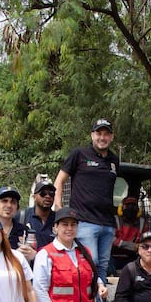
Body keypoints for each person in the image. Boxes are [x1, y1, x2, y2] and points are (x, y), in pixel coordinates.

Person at [54, 118, 120, 283]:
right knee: (91, 262)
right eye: (99, 133)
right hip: (84, 220)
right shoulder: (79, 154)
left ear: (111, 137)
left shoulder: (114, 160)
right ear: (92, 135)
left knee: (103, 266)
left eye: (106, 134)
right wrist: (59, 207)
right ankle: (86, 298)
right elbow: (59, 180)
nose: (102, 137)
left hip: (108, 223)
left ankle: (99, 299)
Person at [111, 196, 146, 272]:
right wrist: (132, 246)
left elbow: (146, 241)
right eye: (128, 205)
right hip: (114, 257)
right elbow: (111, 240)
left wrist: (140, 246)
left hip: (133, 258)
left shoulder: (142, 223)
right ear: (122, 208)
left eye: (133, 206)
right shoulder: (115, 220)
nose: (131, 208)